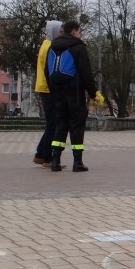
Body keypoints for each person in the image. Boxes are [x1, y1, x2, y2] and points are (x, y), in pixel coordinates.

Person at [47, 20, 104, 172]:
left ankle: (55, 161)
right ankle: (77, 162)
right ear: (74, 31)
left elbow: (48, 73)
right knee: (76, 125)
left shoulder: (52, 46)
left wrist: (53, 91)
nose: (80, 34)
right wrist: (93, 93)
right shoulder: (78, 47)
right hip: (75, 91)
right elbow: (86, 73)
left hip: (58, 92)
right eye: (79, 31)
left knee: (60, 124)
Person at [33, 20, 62, 168]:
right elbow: (50, 70)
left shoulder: (45, 44)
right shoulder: (50, 46)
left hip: (43, 87)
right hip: (48, 89)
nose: (61, 34)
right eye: (60, 31)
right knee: (53, 124)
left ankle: (40, 154)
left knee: (51, 123)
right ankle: (47, 158)